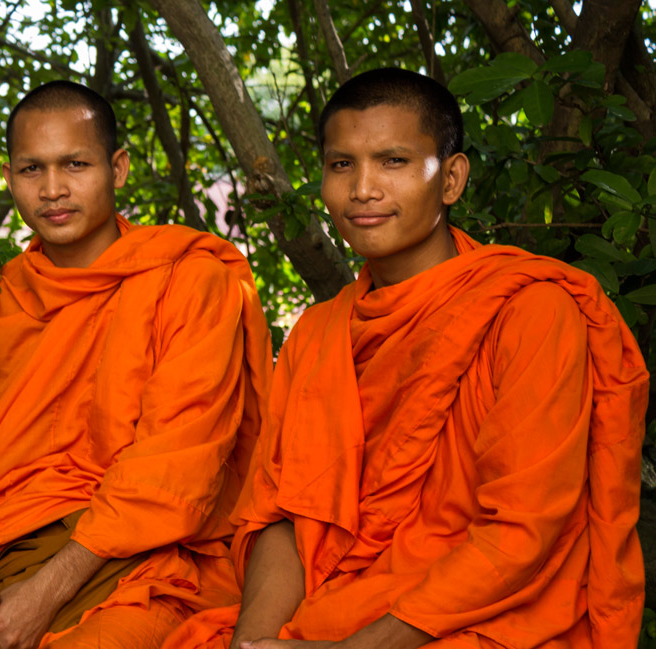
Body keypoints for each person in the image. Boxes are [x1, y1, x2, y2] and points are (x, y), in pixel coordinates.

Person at [163, 68, 648, 649]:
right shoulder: (318, 334)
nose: (362, 189)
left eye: (392, 161)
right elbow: (283, 515)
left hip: (487, 617)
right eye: (342, 164)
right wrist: (255, 643)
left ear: (451, 179)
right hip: (329, 612)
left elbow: (524, 531)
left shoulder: (529, 312)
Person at [0, 79, 272, 649]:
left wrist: (46, 593)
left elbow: (179, 465)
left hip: (145, 569)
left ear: (118, 168)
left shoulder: (190, 279)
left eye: (75, 164)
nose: (53, 189)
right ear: (9, 178)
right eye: (32, 169)